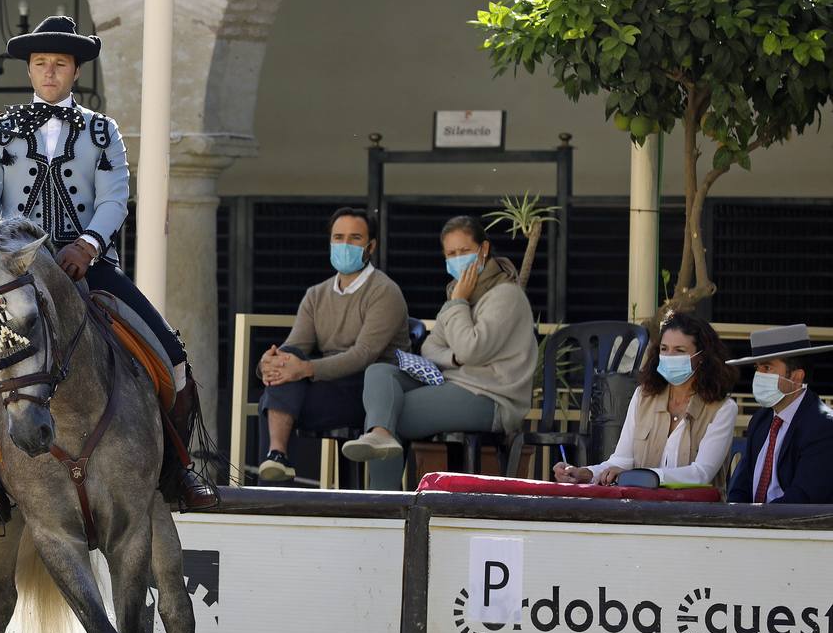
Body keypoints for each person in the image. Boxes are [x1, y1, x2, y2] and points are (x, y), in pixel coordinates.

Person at [0, 14, 215, 537]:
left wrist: (88, 245)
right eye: (41, 63)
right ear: (30, 69)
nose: (50, 72)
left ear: (74, 72)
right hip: (12, 273)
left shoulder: (102, 130)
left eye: (59, 64)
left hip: (82, 267)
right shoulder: (1, 130)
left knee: (171, 357)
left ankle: (178, 469)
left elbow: (115, 199)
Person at [342, 215, 536, 490]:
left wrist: (458, 303)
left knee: (390, 413)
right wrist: (455, 358)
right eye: (451, 253)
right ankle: (381, 442)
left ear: (484, 249)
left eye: (464, 251)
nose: (458, 259)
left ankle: (384, 503)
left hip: (491, 397)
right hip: (455, 382)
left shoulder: (505, 295)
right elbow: (432, 347)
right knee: (380, 372)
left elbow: (472, 347)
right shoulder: (459, 294)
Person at [256, 207, 410, 481]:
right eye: (338, 238)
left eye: (354, 238)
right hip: (329, 386)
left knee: (276, 398)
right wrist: (269, 364)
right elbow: (295, 346)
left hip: (369, 390)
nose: (345, 245)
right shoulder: (316, 294)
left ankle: (276, 469)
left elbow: (364, 354)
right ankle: (276, 461)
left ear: (370, 246)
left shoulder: (384, 291)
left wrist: (305, 369)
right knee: (280, 377)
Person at [554, 312, 738, 489]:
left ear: (701, 358)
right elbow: (622, 460)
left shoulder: (723, 409)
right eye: (664, 349)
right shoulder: (643, 396)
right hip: (643, 511)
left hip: (696, 515)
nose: (669, 357)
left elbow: (701, 473)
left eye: (679, 351)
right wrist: (586, 473)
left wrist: (643, 476)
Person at [726, 324, 833, 504]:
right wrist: (737, 517)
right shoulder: (761, 419)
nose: (758, 376)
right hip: (750, 527)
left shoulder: (823, 426)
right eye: (757, 368)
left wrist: (756, 520)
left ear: (797, 377)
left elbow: (803, 497)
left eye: (767, 368)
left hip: (792, 529)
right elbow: (740, 485)